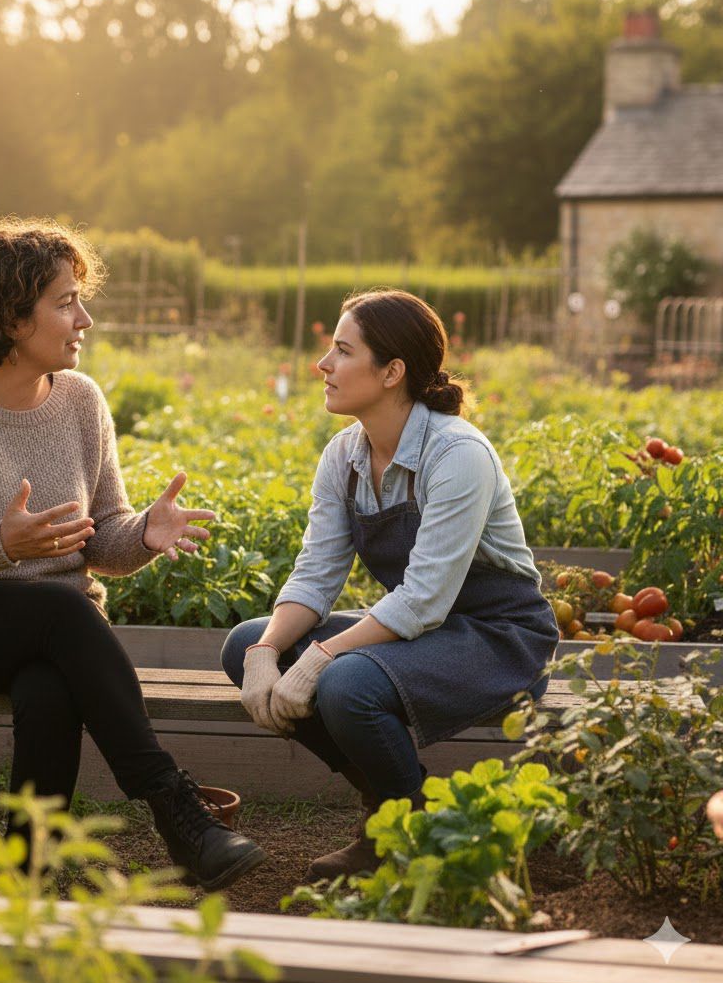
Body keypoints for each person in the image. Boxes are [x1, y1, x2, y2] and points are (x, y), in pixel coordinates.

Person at [0, 216, 265, 891]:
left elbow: (102, 535)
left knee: (50, 684)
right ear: (10, 316)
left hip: (55, 635)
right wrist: (1, 545)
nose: (84, 318)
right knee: (61, 607)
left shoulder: (82, 402)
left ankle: (25, 877)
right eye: (64, 302)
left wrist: (143, 533)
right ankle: (176, 810)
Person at [221, 289, 558, 882]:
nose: (322, 365)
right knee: (245, 641)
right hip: (425, 631)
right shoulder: (345, 455)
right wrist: (265, 653)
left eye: (342, 351)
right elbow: (316, 575)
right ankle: (398, 811)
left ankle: (408, 839)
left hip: (499, 636)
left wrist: (320, 657)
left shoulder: (457, 453)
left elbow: (425, 597)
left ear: (392, 371)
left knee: (344, 681)